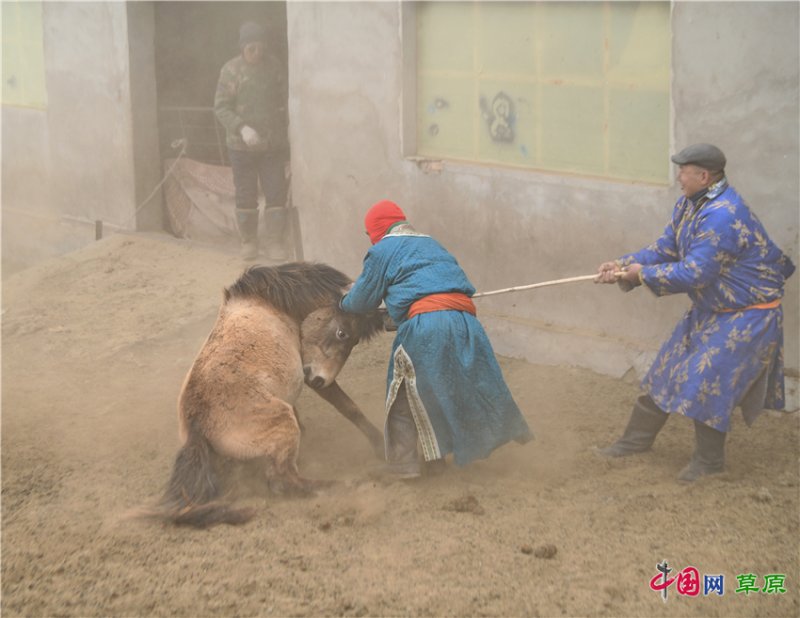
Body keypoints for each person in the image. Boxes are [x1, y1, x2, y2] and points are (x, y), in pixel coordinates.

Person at [596, 143, 795, 481]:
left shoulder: (723, 215)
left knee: (708, 380)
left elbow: (694, 273)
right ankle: (634, 441)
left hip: (749, 314)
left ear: (703, 176)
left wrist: (640, 275)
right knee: (667, 370)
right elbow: (666, 248)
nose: (677, 178)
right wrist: (622, 264)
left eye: (682, 171)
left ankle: (709, 465)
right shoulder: (690, 204)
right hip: (714, 308)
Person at [340, 200, 533, 479]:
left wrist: (342, 302)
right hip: (466, 323)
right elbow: (425, 288)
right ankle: (436, 458)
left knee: (403, 391)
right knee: (445, 387)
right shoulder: (432, 244)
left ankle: (402, 464)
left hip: (429, 326)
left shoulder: (381, 250)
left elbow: (361, 300)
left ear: (376, 230)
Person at [214, 21, 289, 261]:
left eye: (260, 48)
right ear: (242, 48)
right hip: (241, 146)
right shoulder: (230, 71)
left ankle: (275, 242)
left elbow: (285, 101)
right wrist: (242, 128)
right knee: (245, 194)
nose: (256, 53)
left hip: (271, 145)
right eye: (250, 49)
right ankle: (249, 242)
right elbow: (221, 108)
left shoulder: (274, 68)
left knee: (275, 192)